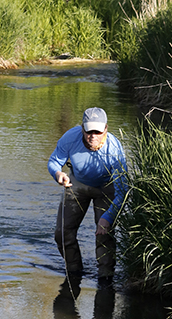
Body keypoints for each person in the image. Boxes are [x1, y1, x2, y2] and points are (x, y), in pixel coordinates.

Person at [48, 107, 128, 288]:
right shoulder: (70, 138)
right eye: (88, 130)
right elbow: (54, 161)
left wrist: (107, 217)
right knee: (62, 233)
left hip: (107, 187)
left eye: (97, 131)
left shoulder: (114, 150)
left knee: (104, 234)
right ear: (82, 128)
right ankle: (74, 272)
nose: (93, 135)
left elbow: (124, 191)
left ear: (105, 129)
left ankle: (105, 279)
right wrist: (58, 174)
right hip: (76, 183)